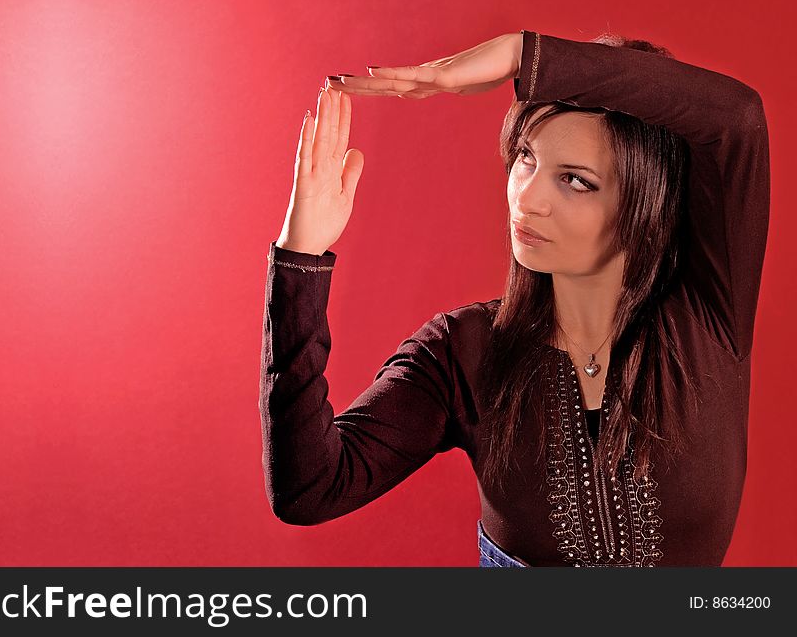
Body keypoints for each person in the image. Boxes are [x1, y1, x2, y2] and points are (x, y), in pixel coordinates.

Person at [259, 30, 770, 567]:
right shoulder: (464, 351)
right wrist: (302, 257)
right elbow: (310, 488)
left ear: (645, 202)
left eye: (574, 180)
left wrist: (520, 56)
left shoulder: (708, 318)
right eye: (526, 158)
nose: (527, 199)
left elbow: (735, 119)